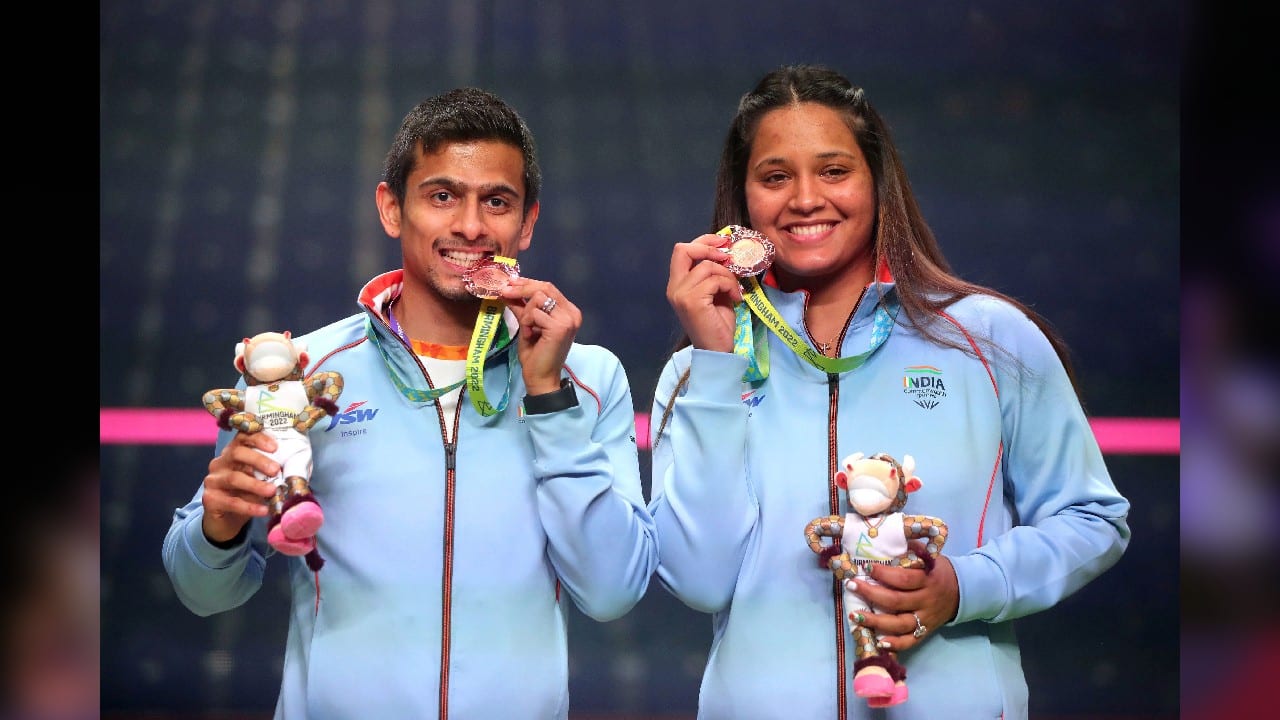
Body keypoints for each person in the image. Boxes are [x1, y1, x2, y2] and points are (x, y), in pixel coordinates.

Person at [648, 64, 1131, 719]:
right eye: (775, 176)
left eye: (834, 170)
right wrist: (712, 362)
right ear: (744, 200)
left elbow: (1092, 520)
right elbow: (700, 580)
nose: (805, 199)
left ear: (879, 183)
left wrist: (963, 585)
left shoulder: (988, 339)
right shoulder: (701, 370)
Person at [163, 87, 658, 720]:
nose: (471, 226)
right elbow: (203, 593)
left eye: (497, 202)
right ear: (392, 208)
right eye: (443, 196)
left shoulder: (586, 378)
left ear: (528, 222)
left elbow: (612, 591)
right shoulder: (301, 373)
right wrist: (218, 525)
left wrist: (547, 395)